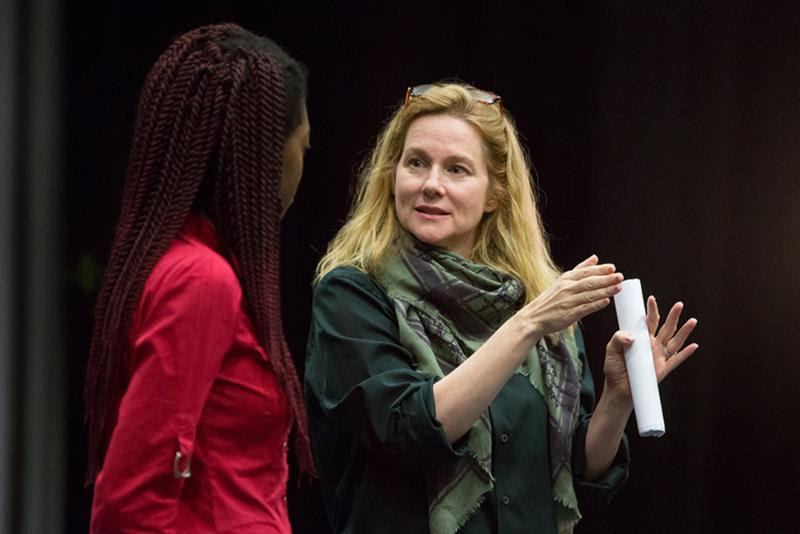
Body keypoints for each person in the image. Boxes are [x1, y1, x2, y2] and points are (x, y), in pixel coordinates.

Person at [304, 82, 698, 533]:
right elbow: (407, 430)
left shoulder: (537, 303)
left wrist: (617, 401)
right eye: (416, 163)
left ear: (494, 193)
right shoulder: (353, 293)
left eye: (456, 169)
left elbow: (576, 474)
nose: (432, 184)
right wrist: (526, 325)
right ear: (392, 175)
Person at [84, 23, 314, 533]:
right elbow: (128, 501)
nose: (304, 163)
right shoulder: (201, 279)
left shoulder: (180, 260)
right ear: (267, 154)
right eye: (304, 145)